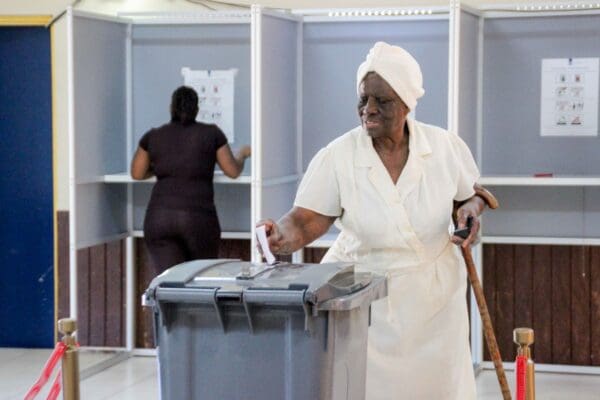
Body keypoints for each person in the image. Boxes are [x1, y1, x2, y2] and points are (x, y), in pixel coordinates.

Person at [259, 42, 496, 399]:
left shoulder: (444, 147)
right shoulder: (339, 155)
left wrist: (470, 213)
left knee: (438, 388)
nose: (368, 110)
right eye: (363, 100)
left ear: (405, 105)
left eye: (381, 101)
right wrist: (280, 236)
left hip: (433, 301)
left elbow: (472, 195)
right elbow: (306, 220)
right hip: (361, 299)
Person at [131, 85, 250, 275]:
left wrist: (163, 169)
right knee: (200, 281)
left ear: (172, 108)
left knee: (170, 282)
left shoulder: (153, 136)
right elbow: (232, 170)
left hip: (159, 218)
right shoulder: (212, 134)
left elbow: (137, 172)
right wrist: (243, 154)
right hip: (198, 219)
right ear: (196, 109)